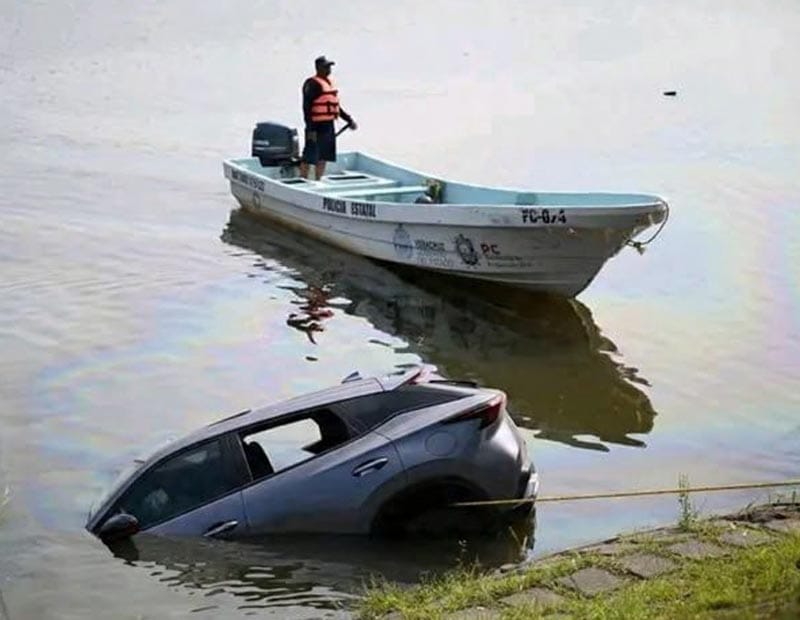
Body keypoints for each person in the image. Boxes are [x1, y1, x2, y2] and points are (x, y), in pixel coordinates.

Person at [299, 55, 357, 180]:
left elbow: (336, 107)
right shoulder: (312, 84)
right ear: (318, 68)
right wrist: (311, 129)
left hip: (328, 125)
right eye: (326, 67)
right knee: (310, 156)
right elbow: (306, 108)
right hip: (315, 126)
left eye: (329, 66)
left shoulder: (329, 83)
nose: (329, 69)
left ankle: (317, 179)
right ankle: (302, 180)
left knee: (324, 156)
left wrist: (348, 120)